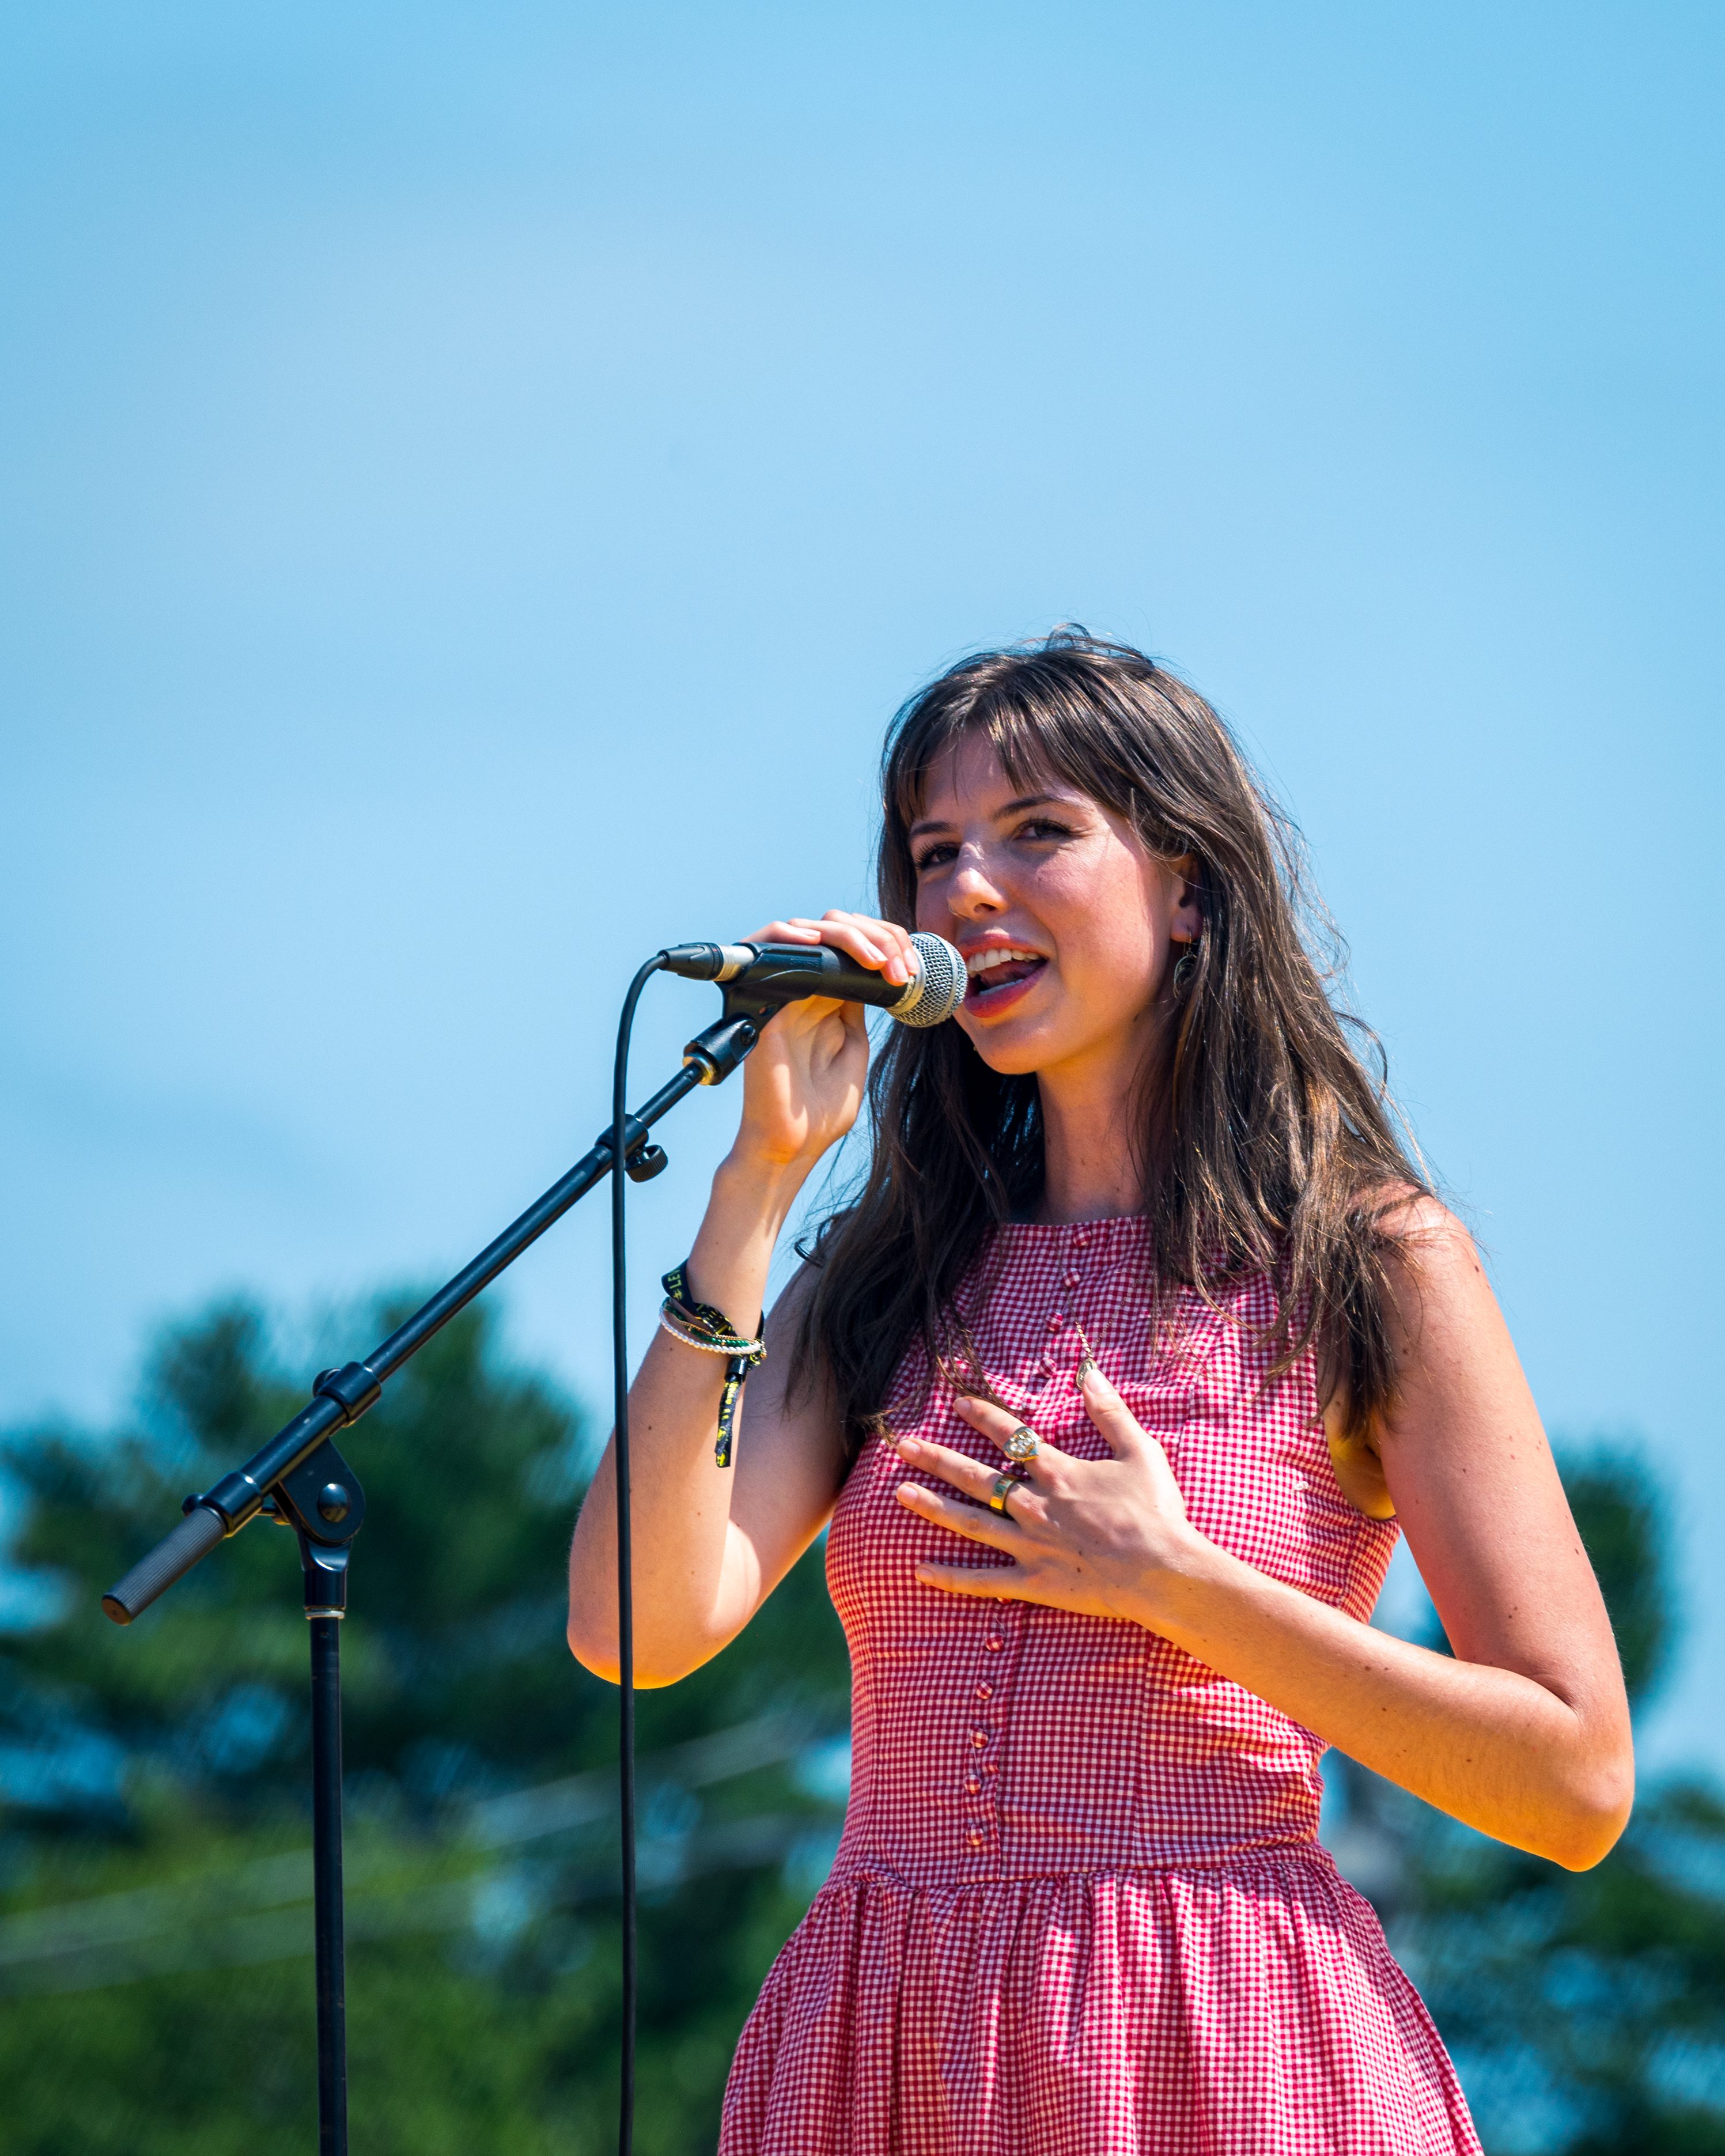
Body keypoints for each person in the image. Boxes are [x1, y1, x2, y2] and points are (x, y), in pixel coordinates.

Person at [567, 632, 1632, 2155]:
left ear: (1187, 885)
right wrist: (752, 1190)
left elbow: (1576, 1780)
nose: (964, 892)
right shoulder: (880, 1278)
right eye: (932, 853)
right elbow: (631, 1626)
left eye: (1037, 832)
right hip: (887, 2050)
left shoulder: (1369, 1262)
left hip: (1221, 2047)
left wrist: (1175, 1580)